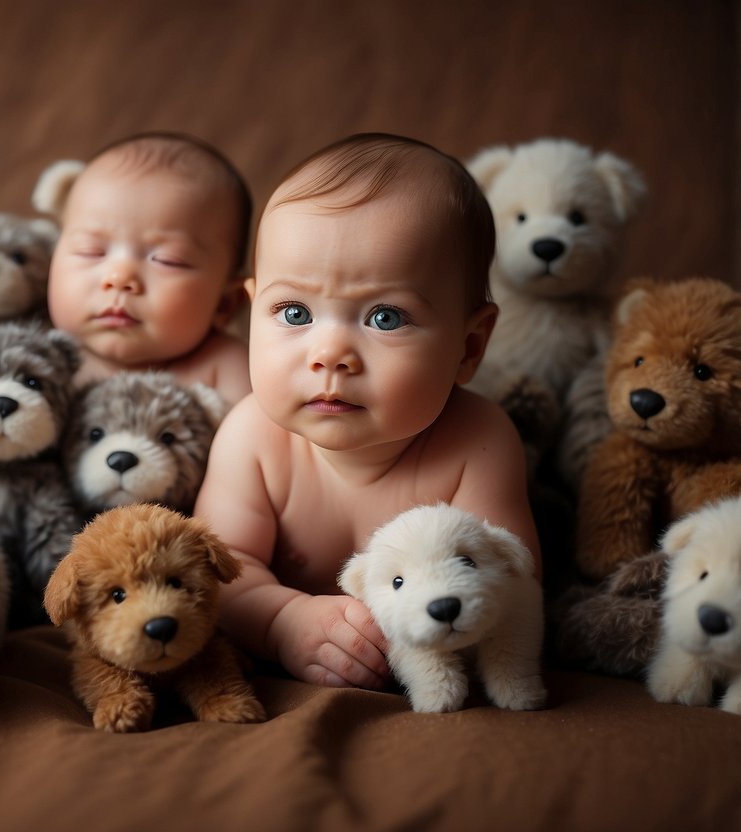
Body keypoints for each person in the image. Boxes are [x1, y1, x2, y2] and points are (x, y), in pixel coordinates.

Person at [193, 133, 541, 689]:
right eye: (293, 311)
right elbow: (219, 572)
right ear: (252, 308)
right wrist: (283, 621)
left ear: (469, 347)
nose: (328, 353)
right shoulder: (251, 437)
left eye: (385, 318)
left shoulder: (479, 441)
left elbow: (510, 581)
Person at [47, 132, 253, 406]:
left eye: (168, 260)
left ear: (225, 304)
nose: (119, 278)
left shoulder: (226, 369)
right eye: (91, 251)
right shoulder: (41, 356)